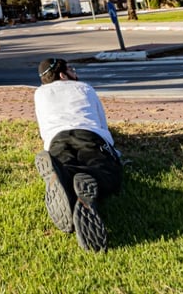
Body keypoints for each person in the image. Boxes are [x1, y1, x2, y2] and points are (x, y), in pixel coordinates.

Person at [33, 57, 123, 252]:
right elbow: (102, 124)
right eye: (71, 70)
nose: (75, 72)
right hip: (89, 136)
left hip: (56, 140)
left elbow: (43, 129)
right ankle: (89, 180)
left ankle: (62, 178)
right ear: (63, 75)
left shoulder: (39, 94)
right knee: (109, 174)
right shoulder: (84, 88)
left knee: (65, 166)